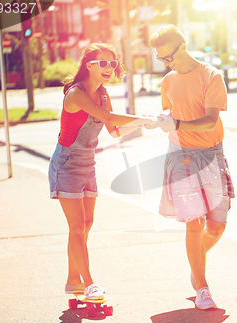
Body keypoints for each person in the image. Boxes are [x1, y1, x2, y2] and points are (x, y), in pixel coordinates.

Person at [48, 42, 159, 300]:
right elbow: (109, 119)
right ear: (89, 65)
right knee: (76, 227)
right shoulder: (76, 94)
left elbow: (115, 130)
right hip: (67, 163)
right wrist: (143, 119)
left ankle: (72, 280)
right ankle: (89, 283)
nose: (109, 67)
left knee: (86, 224)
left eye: (112, 63)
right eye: (103, 63)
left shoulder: (104, 93)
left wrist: (147, 124)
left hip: (88, 162)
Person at [148, 25, 235, 310]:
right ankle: (203, 286)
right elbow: (170, 114)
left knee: (217, 226)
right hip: (181, 156)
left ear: (182, 47)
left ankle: (195, 267)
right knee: (194, 224)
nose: (165, 64)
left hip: (211, 154)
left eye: (168, 58)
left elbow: (210, 121)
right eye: (161, 59)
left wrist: (177, 123)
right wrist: (162, 120)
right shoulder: (168, 81)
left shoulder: (212, 76)